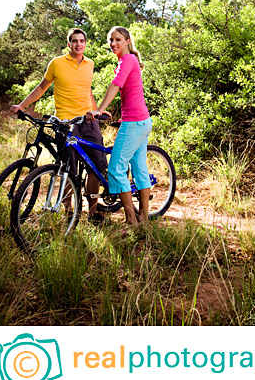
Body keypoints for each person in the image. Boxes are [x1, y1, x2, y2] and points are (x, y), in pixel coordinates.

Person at [10, 27, 108, 223]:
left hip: (88, 122)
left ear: (85, 44)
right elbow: (42, 87)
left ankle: (93, 213)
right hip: (65, 123)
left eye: (82, 41)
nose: (78, 44)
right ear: (68, 44)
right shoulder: (56, 63)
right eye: (74, 41)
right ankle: (69, 211)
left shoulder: (90, 64)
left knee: (94, 168)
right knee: (67, 168)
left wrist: (96, 113)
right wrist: (22, 105)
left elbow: (87, 90)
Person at [87, 26, 152, 228]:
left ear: (127, 41)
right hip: (142, 122)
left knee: (116, 168)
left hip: (133, 123)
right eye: (110, 40)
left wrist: (99, 110)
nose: (113, 43)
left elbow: (116, 85)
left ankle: (131, 221)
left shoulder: (127, 59)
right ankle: (144, 219)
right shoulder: (128, 60)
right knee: (139, 169)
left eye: (117, 39)